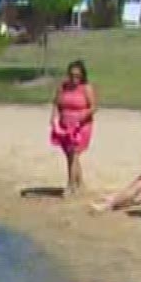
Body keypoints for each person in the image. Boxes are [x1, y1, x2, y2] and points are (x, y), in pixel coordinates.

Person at [49, 60, 97, 194]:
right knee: (70, 155)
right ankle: (80, 183)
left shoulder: (86, 88)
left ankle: (70, 185)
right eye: (72, 75)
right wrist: (54, 119)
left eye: (77, 76)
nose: (74, 78)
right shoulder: (63, 87)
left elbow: (93, 107)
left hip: (82, 125)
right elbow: (56, 104)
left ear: (82, 76)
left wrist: (81, 118)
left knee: (74, 152)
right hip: (65, 125)